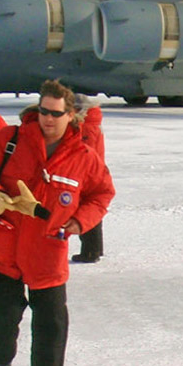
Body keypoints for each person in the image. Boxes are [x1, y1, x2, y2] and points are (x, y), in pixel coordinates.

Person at [0, 80, 114, 366]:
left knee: (52, 318)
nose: (47, 118)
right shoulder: (10, 140)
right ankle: (3, 360)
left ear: (71, 115)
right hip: (5, 242)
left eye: (55, 113)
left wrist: (80, 221)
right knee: (3, 313)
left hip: (49, 246)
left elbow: (102, 194)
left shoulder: (83, 156)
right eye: (44, 111)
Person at [71, 104, 107, 263]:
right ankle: (96, 249)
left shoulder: (85, 127)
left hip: (87, 173)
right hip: (94, 171)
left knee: (86, 210)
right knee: (92, 209)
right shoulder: (93, 125)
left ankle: (90, 251)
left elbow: (83, 151)